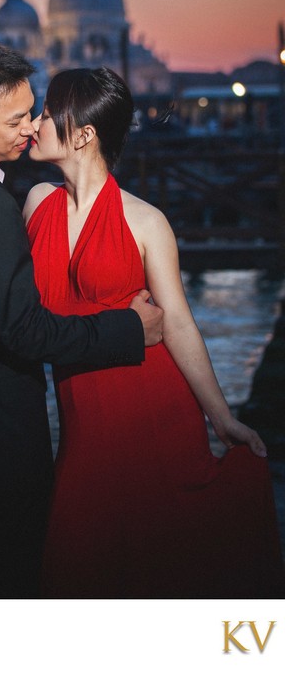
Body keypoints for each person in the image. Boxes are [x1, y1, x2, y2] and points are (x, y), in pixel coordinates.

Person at [0, 39, 164, 598]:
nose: (31, 128)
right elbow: (24, 331)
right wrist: (128, 328)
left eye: (33, 111)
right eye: (17, 119)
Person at [24, 66, 285, 597]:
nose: (34, 124)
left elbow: (180, 322)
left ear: (83, 134)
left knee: (159, 563)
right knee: (78, 566)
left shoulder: (145, 222)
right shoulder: (33, 205)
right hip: (81, 421)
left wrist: (222, 416)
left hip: (152, 407)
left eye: (47, 115)